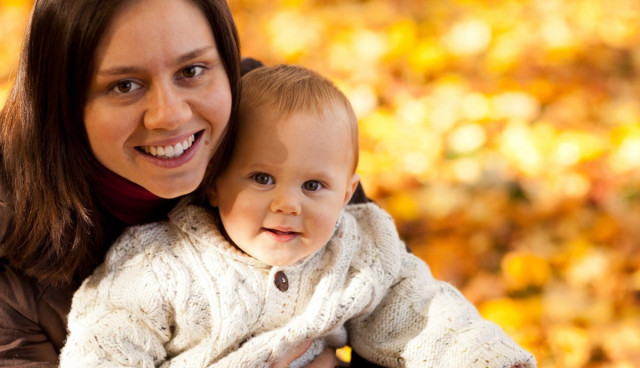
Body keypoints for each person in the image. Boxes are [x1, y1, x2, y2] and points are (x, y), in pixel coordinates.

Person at [59, 64, 537, 368]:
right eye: (262, 179)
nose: (288, 205)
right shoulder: (160, 267)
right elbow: (104, 348)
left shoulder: (357, 252)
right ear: (213, 180)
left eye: (313, 186)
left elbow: (421, 315)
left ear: (347, 193)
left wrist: (484, 358)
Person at [0, 0, 340, 367]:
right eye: (124, 85)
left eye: (191, 71)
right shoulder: (9, 261)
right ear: (63, 99)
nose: (170, 115)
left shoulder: (278, 123)